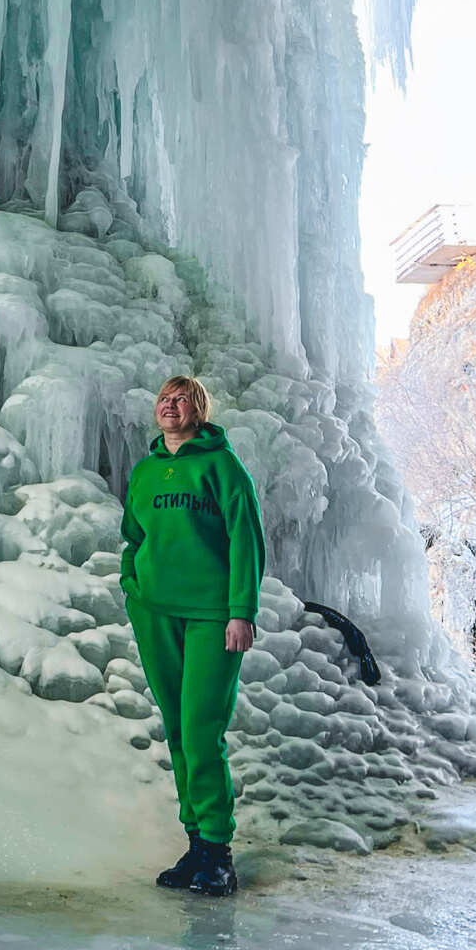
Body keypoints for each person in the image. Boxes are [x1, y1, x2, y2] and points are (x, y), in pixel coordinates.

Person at [119, 375, 265, 896]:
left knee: (203, 731)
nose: (170, 405)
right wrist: (132, 586)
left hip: (211, 616)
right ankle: (195, 845)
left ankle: (219, 852)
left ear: (198, 410)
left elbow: (246, 539)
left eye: (181, 398)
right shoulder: (145, 472)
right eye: (163, 397)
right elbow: (133, 538)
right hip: (156, 613)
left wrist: (241, 610)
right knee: (178, 732)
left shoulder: (222, 466)